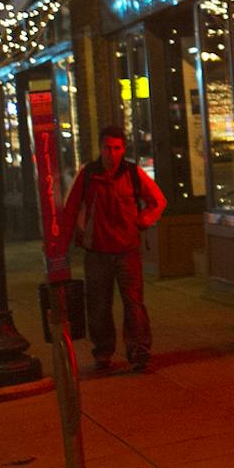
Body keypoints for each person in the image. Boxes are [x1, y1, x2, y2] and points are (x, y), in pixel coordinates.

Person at [53, 125, 166, 373]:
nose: (111, 153)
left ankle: (139, 349)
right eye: (107, 148)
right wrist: (63, 246)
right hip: (97, 252)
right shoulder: (88, 175)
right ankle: (103, 352)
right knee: (99, 305)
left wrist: (144, 220)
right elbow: (71, 209)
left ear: (123, 149)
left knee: (134, 303)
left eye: (116, 148)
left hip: (127, 249)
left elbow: (157, 200)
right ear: (100, 149)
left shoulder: (133, 173)